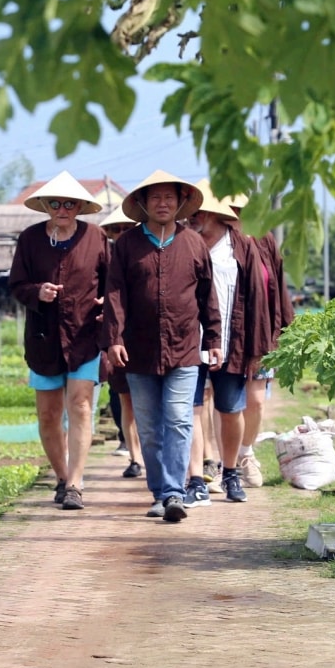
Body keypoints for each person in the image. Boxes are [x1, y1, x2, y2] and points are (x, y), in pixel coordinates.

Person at [104, 170, 221, 523]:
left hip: (184, 347)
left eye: (169, 197)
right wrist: (113, 338)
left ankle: (173, 493)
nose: (163, 203)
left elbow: (206, 295)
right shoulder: (126, 246)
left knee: (179, 419)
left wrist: (213, 338)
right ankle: (160, 491)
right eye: (155, 198)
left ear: (181, 202)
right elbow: (114, 294)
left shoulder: (194, 243)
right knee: (151, 426)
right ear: (142, 204)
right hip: (138, 351)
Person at [9, 171, 110, 511]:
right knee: (48, 414)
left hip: (84, 337)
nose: (63, 209)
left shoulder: (96, 237)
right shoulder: (30, 239)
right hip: (43, 339)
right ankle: (63, 476)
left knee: (81, 405)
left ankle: (77, 483)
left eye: (69, 203)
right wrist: (38, 291)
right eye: (56, 203)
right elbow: (16, 285)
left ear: (80, 206)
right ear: (47, 207)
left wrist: (105, 303)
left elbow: (112, 283)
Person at [185, 181, 270, 505]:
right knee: (190, 409)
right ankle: (195, 478)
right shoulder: (184, 242)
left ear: (217, 215)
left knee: (230, 410)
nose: (194, 217)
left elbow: (257, 301)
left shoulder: (241, 247)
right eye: (192, 212)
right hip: (189, 342)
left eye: (201, 212)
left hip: (231, 341)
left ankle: (231, 471)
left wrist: (257, 350)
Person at [225, 193, 295, 488]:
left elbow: (278, 284)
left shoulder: (264, 238)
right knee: (225, 403)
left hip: (262, 332)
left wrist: (286, 328)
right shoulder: (215, 237)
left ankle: (245, 453)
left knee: (255, 401)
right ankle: (220, 462)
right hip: (225, 332)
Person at [99, 205, 142, 478]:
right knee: (124, 397)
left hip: (144, 334)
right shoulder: (105, 258)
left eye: (128, 228)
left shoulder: (148, 253)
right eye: (117, 229)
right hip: (115, 335)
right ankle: (134, 456)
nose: (122, 233)